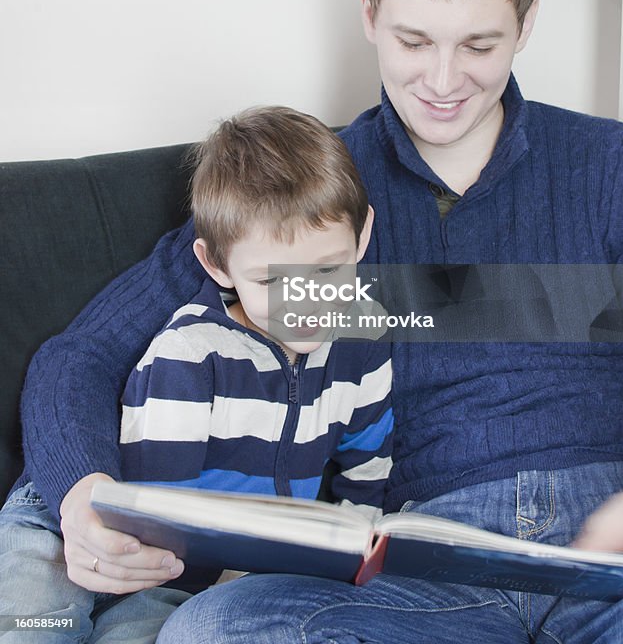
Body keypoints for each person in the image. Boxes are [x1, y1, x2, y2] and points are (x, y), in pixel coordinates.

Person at [6, 0, 623, 643]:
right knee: (216, 628)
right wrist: (80, 493)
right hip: (431, 568)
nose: (444, 80)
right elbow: (83, 354)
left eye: (480, 45)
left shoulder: (621, 170)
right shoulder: (311, 198)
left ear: (526, 23)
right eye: (414, 41)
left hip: (616, 547)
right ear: (368, 14)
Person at [0, 106, 392, 642]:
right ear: (213, 263)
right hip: (68, 510)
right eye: (270, 281)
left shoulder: (362, 345)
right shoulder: (191, 348)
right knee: (32, 625)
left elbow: (367, 478)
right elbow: (155, 507)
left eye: (327, 270)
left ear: (364, 233)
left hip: (173, 564)